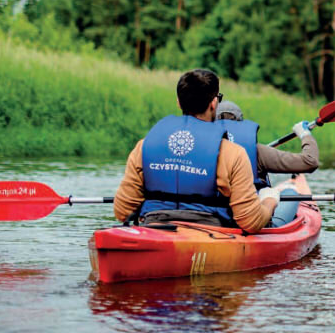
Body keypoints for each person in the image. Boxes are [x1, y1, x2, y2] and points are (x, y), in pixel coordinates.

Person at [113, 69, 281, 233]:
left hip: (153, 228)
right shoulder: (233, 153)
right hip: (211, 234)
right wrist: (269, 201)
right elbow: (250, 222)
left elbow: (122, 212)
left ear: (179, 102)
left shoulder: (143, 147)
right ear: (214, 103)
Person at [216, 101, 319, 226]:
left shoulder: (202, 151)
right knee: (290, 192)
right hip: (253, 222)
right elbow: (310, 162)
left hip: (214, 220)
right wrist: (305, 134)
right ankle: (274, 225)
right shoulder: (257, 152)